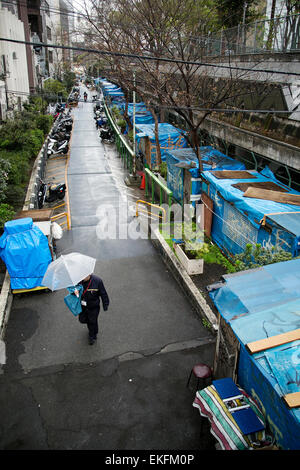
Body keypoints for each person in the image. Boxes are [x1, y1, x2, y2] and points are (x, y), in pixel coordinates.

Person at [75, 273, 109, 345]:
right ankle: (93, 330)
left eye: (85, 275)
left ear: (89, 273)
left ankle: (92, 336)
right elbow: (73, 291)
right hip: (83, 306)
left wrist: (105, 304)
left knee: (92, 321)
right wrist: (75, 292)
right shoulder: (78, 281)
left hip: (94, 307)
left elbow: (103, 293)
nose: (83, 277)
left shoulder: (97, 281)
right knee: (83, 320)